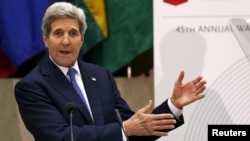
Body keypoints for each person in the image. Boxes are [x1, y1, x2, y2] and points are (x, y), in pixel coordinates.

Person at [14, 2, 207, 141]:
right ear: (45, 39)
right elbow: (61, 137)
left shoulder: (101, 75)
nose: (66, 41)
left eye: (73, 33)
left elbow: (136, 128)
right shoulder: (31, 86)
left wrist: (173, 105)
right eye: (58, 33)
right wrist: (124, 129)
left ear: (82, 39)